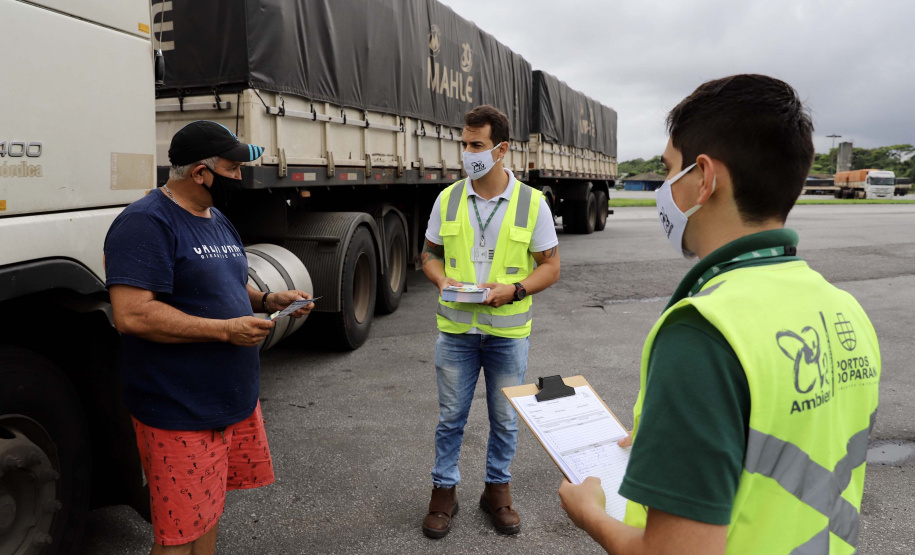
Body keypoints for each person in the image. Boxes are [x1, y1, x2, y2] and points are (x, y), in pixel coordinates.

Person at [559, 74, 880, 554]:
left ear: (704, 178)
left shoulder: (704, 333)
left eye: (670, 170)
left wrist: (590, 514)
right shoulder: (845, 309)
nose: (665, 188)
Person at [104, 120, 313, 554]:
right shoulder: (145, 223)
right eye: (233, 168)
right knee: (177, 535)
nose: (241, 176)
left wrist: (269, 299)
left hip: (227, 402)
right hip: (179, 410)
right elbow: (132, 315)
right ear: (200, 173)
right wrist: (225, 331)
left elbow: (227, 286)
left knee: (208, 513)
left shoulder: (215, 217)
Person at [420, 105, 561, 538]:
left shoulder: (531, 203)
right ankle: (444, 492)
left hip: (507, 334)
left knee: (505, 418)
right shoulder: (447, 199)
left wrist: (515, 290)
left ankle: (496, 491)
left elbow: (550, 266)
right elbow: (428, 255)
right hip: (457, 331)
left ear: (501, 149)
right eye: (464, 144)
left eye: (476, 145)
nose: (467, 152)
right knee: (450, 417)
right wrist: (442, 279)